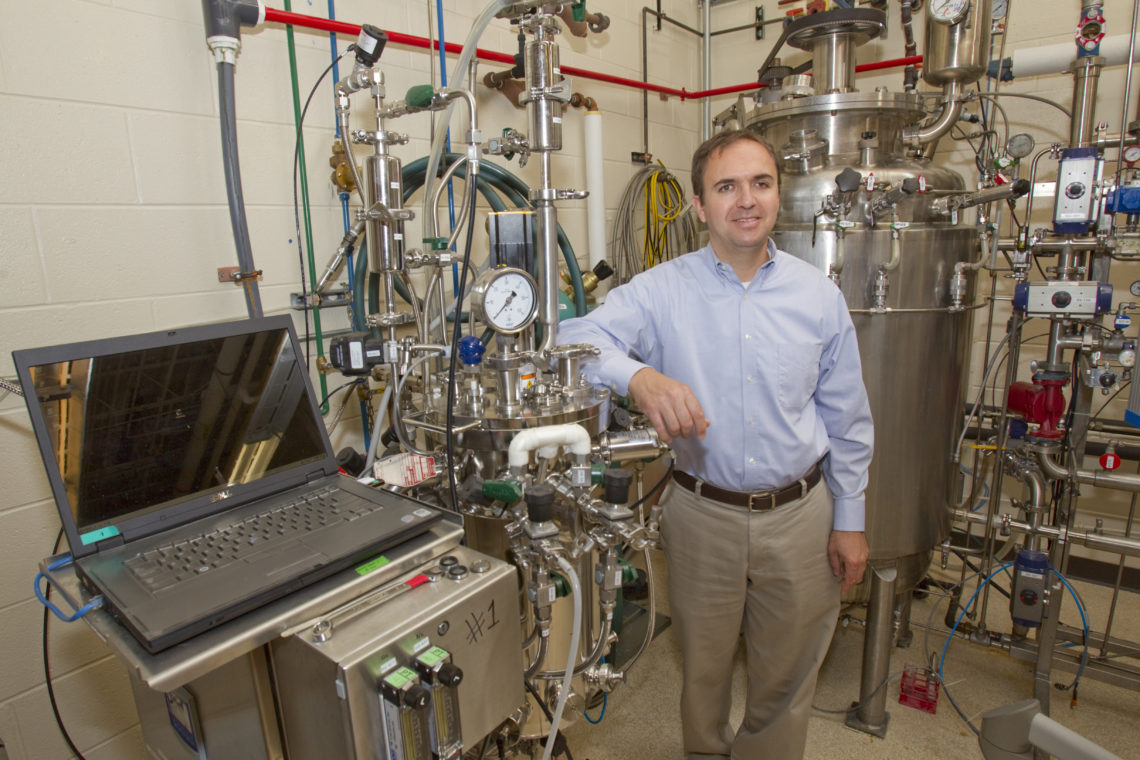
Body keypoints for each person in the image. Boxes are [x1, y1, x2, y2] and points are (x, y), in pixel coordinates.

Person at [555, 129, 874, 759]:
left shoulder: (819, 297)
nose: (746, 200)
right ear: (700, 205)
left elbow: (849, 420)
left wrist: (852, 518)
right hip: (701, 514)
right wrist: (638, 377)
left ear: (778, 195)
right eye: (726, 186)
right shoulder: (660, 290)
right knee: (703, 673)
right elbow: (572, 338)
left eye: (761, 183)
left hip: (801, 515)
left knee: (787, 678)